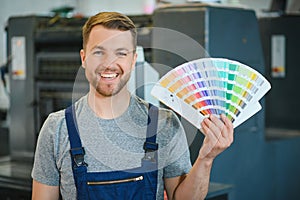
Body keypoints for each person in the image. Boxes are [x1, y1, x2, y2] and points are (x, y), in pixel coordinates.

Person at [31, 11, 234, 200]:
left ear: (133, 59)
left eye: (121, 53)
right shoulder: (56, 129)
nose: (109, 63)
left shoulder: (164, 123)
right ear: (84, 58)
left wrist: (206, 158)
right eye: (99, 52)